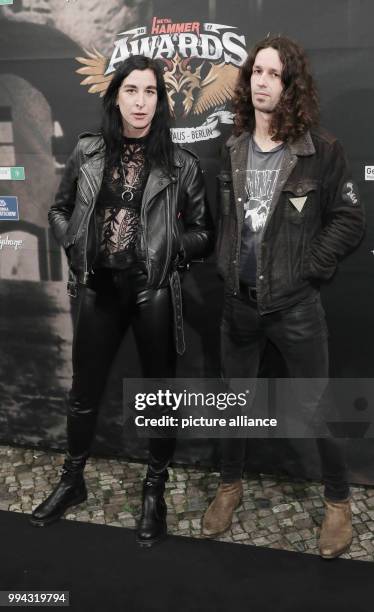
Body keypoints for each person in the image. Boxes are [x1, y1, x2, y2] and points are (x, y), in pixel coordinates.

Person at [29, 54, 213, 547]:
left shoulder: (180, 163)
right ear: (116, 97)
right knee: (83, 394)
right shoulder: (89, 152)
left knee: (159, 399)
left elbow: (203, 233)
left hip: (152, 291)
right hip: (98, 289)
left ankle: (155, 489)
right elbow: (58, 208)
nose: (140, 101)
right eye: (132, 90)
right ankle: (72, 480)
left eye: (150, 92)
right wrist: (72, 245)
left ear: (160, 100)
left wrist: (173, 244)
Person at [201, 35, 365, 558]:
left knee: (320, 407)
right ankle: (229, 488)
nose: (263, 82)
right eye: (257, 73)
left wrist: (309, 269)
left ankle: (338, 504)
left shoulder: (322, 151)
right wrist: (223, 264)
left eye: (274, 74)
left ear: (291, 86)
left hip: (295, 308)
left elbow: (349, 219)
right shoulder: (230, 148)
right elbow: (223, 222)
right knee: (233, 406)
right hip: (239, 305)